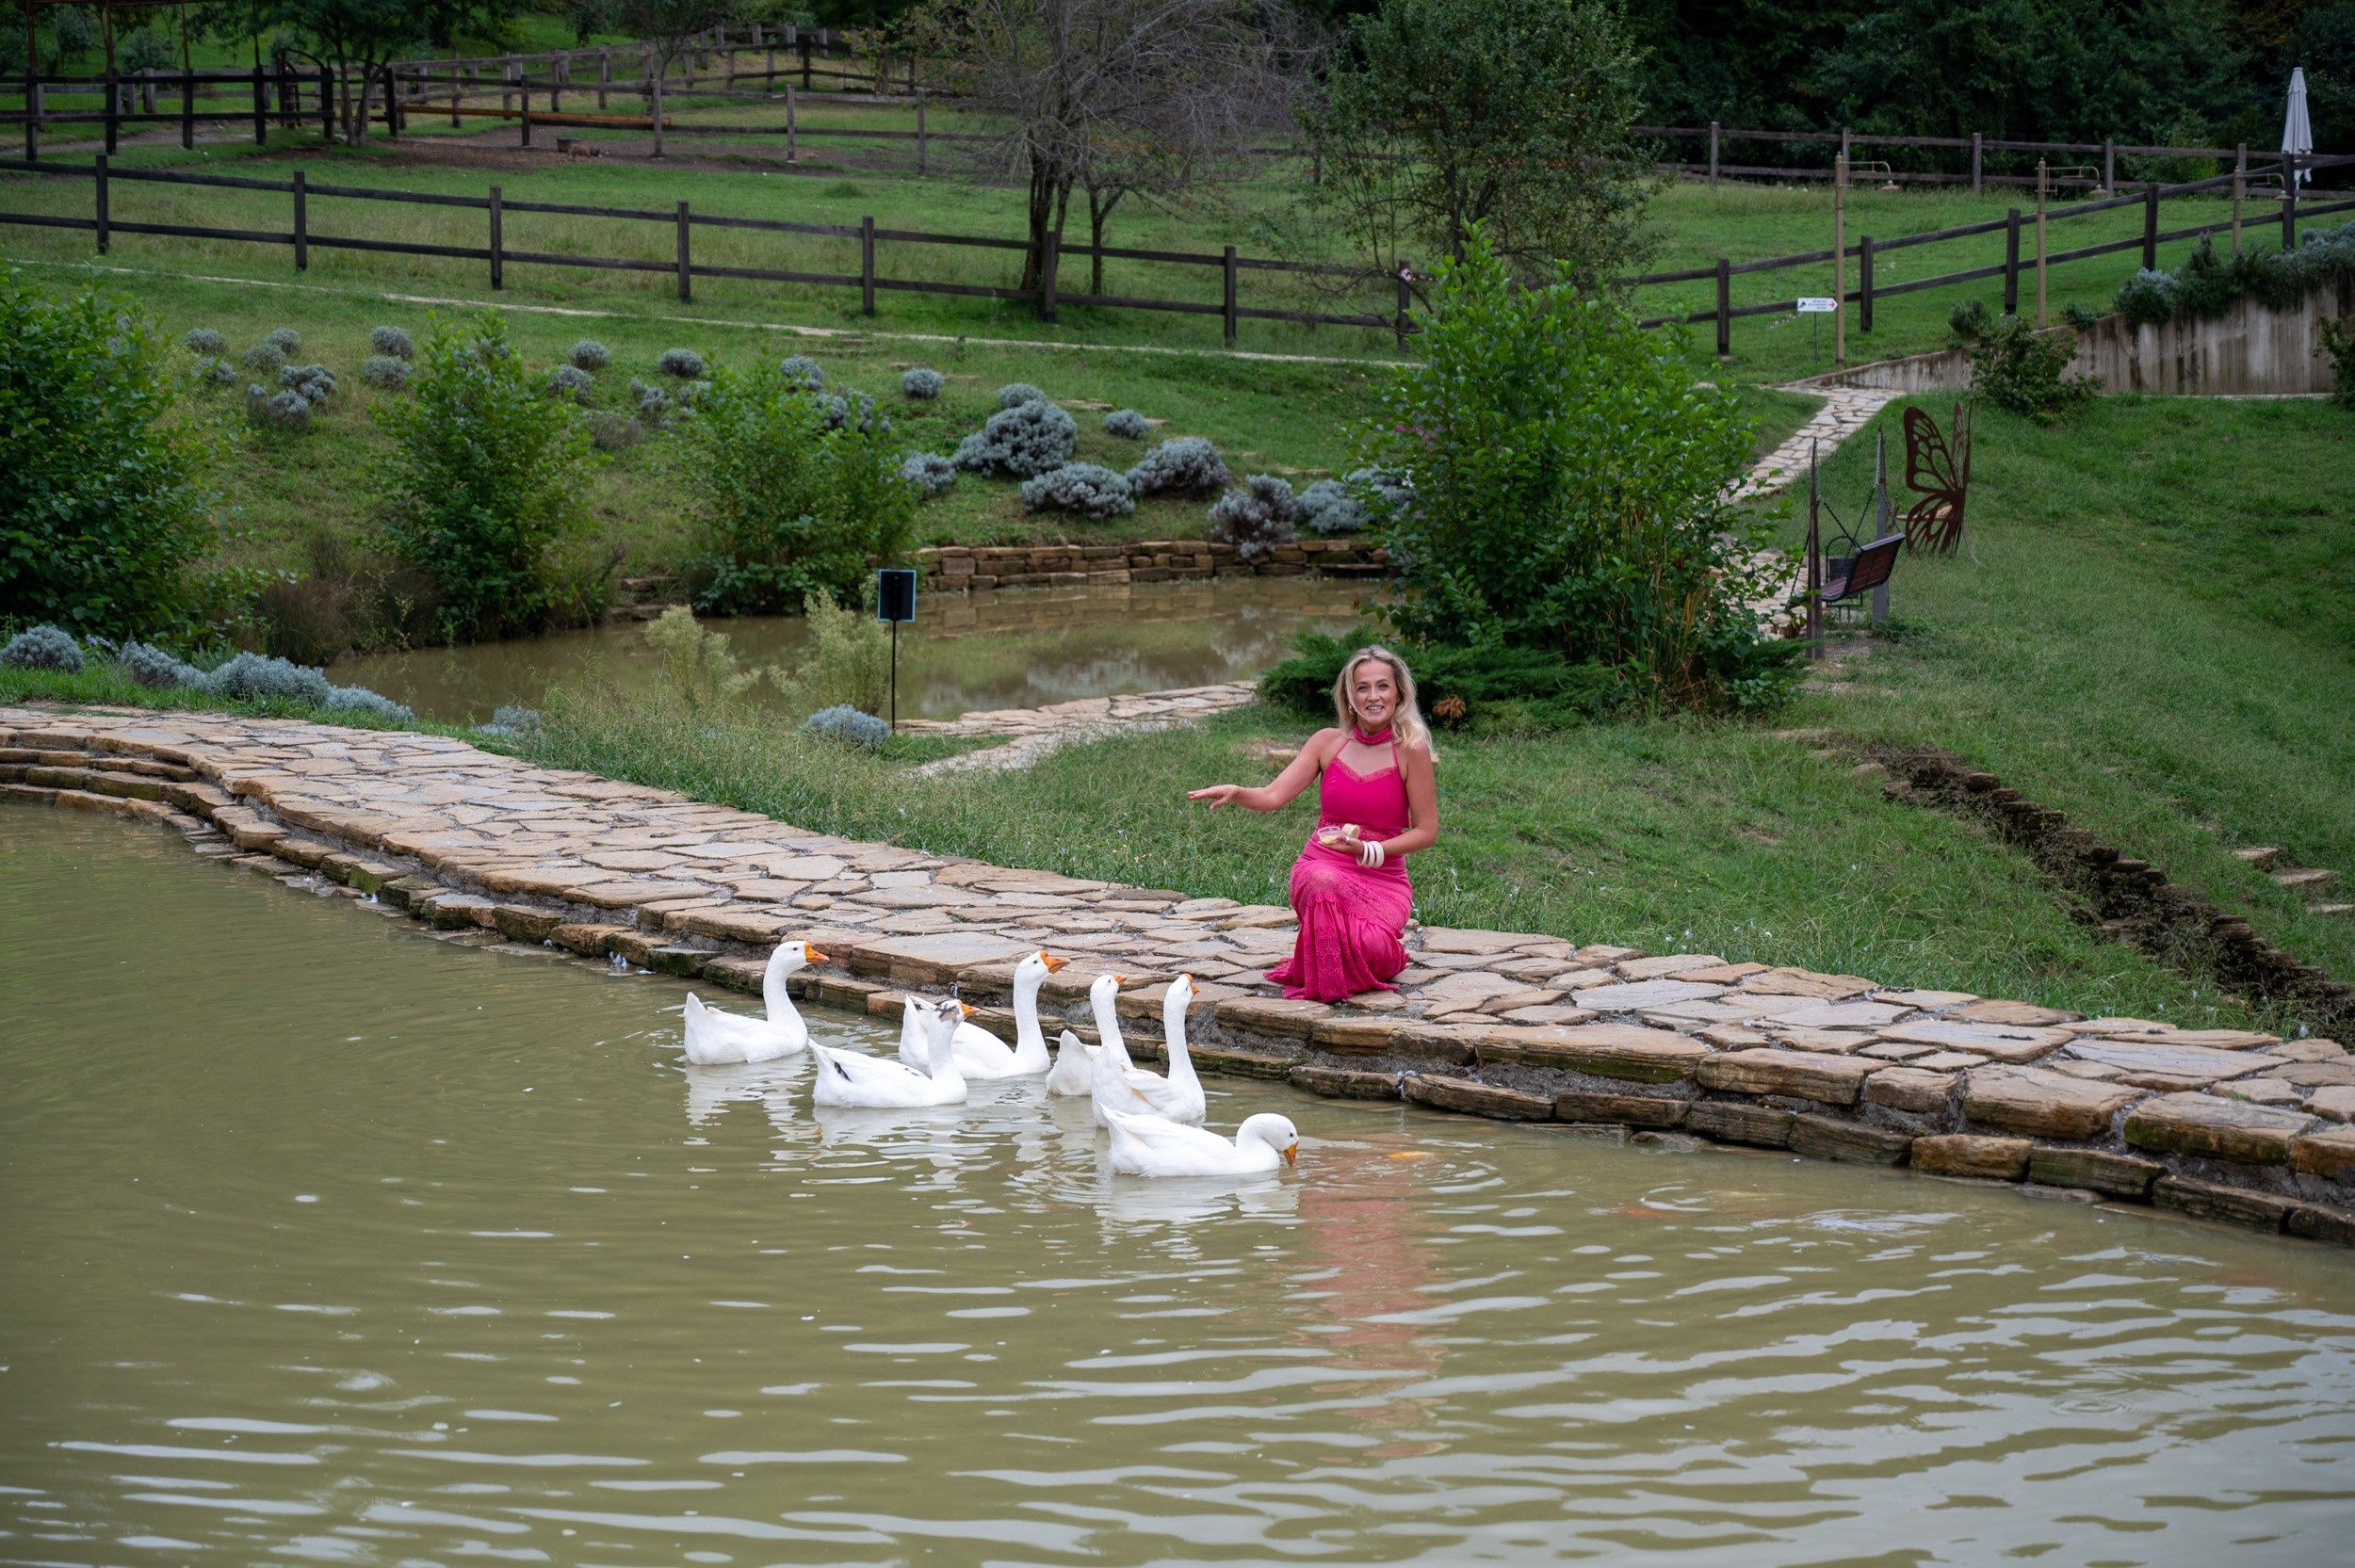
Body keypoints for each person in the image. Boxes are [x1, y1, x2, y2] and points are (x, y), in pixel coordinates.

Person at [1188, 645, 1439, 1002]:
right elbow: (1272, 795)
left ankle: (1363, 953)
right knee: (1323, 881)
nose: (1373, 696)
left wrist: (1369, 849)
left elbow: (1427, 831)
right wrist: (1238, 792)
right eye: (1362, 688)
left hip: (1382, 878)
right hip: (1322, 865)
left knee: (1371, 949)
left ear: (1398, 693)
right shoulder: (1326, 742)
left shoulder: (1411, 749)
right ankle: (1328, 971)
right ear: (1349, 696)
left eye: (1382, 686)